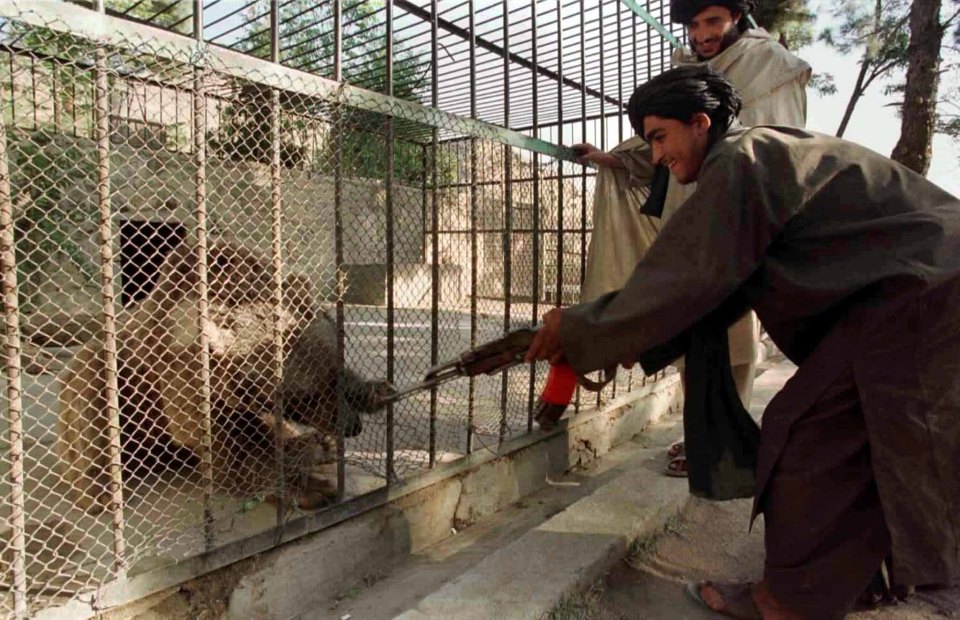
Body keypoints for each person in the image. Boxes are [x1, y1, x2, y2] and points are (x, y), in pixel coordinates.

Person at [527, 65, 960, 619]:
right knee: (862, 443)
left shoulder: (742, 161)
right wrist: (618, 343)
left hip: (919, 295)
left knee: (803, 435)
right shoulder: (760, 156)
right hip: (920, 292)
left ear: (700, 123)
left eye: (660, 137)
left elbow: (688, 274)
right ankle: (844, 584)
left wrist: (586, 329)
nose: (655, 156)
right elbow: (717, 292)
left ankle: (787, 601)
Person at [573, 0, 811, 477]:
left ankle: (730, 434)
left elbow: (773, 145)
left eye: (712, 22)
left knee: (733, 331)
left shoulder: (774, 67)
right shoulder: (689, 70)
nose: (701, 35)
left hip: (741, 214)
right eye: (694, 24)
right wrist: (616, 159)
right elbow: (664, 141)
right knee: (691, 325)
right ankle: (704, 432)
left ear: (737, 17)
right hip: (689, 216)